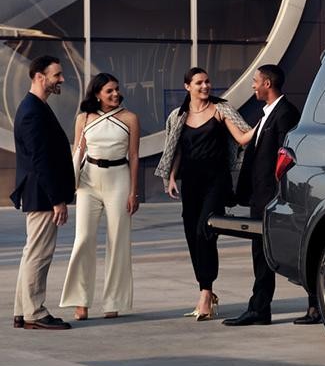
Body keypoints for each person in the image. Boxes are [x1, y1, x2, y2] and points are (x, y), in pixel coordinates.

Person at [154, 67, 254, 321]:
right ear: (187, 86)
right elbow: (175, 148)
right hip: (191, 182)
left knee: (204, 231)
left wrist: (268, 120)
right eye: (199, 83)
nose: (205, 86)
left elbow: (242, 138)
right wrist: (171, 177)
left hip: (216, 182)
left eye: (208, 82)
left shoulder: (222, 109)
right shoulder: (178, 115)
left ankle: (206, 293)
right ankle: (205, 287)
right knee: (191, 234)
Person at [223, 65, 306, 327]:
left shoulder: (286, 113)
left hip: (275, 196)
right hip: (261, 197)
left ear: (267, 84)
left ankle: (315, 304)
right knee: (259, 253)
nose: (252, 86)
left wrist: (278, 191)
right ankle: (259, 309)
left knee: (292, 249)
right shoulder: (266, 114)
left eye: (255, 81)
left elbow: (287, 155)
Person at [59, 73, 140, 320]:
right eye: (109, 91)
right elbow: (78, 150)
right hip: (88, 182)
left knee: (118, 241)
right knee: (83, 238)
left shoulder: (130, 118)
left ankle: (113, 301)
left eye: (117, 89)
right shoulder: (83, 118)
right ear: (97, 94)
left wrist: (133, 192)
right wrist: (70, 183)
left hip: (119, 179)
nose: (115, 94)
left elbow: (134, 156)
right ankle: (80, 301)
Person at [11, 55, 74, 331]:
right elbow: (40, 160)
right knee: (39, 254)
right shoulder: (32, 111)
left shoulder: (35, 107)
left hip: (40, 193)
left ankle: (22, 310)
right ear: (39, 76)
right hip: (41, 194)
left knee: (31, 253)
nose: (61, 79)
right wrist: (57, 199)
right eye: (56, 75)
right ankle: (34, 312)